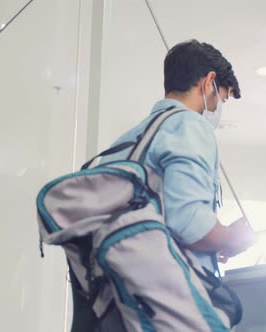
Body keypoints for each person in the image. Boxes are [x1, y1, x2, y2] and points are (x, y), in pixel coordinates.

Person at [100, 39, 255, 272]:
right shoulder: (190, 125)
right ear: (209, 81)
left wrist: (217, 237)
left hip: (116, 295)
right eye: (222, 99)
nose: (218, 108)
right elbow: (189, 226)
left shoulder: (124, 142)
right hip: (168, 296)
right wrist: (234, 238)